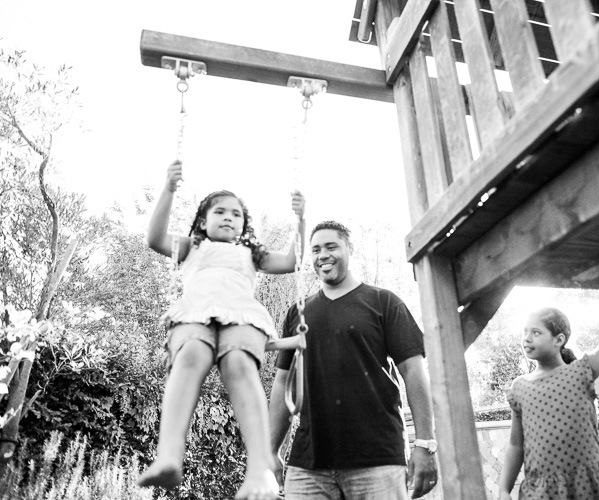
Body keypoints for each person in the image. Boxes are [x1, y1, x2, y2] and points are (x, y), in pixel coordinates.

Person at [138, 159, 305, 500]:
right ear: (203, 220)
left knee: (240, 366)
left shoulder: (252, 253)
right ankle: (169, 454)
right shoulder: (192, 246)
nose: (228, 217)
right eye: (220, 212)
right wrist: (168, 190)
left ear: (244, 224)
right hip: (196, 315)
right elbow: (154, 239)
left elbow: (291, 261)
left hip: (241, 317)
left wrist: (301, 220)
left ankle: (260, 469)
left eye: (236, 214)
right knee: (190, 358)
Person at [268, 221, 439, 499]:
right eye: (316, 250)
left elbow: (414, 371)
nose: (323, 255)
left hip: (378, 460)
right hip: (308, 464)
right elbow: (283, 383)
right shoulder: (297, 313)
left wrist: (425, 443)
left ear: (350, 249)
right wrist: (270, 449)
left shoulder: (384, 302)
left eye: (331, 246)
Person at [499, 291, 599, 500]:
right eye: (524, 331)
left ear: (558, 339)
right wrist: (503, 490)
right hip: (542, 492)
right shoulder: (520, 387)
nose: (526, 338)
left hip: (589, 487)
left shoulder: (581, 372)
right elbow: (516, 445)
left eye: (536, 332)